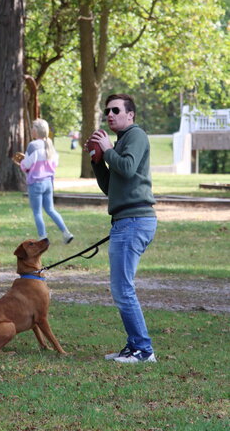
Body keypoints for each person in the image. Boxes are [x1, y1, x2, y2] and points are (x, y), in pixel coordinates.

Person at [86, 94, 157, 363]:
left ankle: (143, 350)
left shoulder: (136, 136)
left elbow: (127, 168)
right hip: (124, 221)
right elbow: (110, 187)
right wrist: (98, 161)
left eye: (116, 110)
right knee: (121, 288)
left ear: (131, 115)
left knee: (123, 289)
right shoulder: (121, 142)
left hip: (135, 221)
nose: (110, 114)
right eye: (107, 111)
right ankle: (134, 346)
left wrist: (108, 149)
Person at [18, 118, 74, 244]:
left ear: (36, 131)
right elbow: (54, 163)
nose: (31, 130)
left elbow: (26, 164)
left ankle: (43, 237)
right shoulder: (49, 144)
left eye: (33, 128)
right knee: (50, 209)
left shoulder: (33, 146)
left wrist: (21, 163)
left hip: (36, 183)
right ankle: (66, 232)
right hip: (48, 182)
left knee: (37, 212)